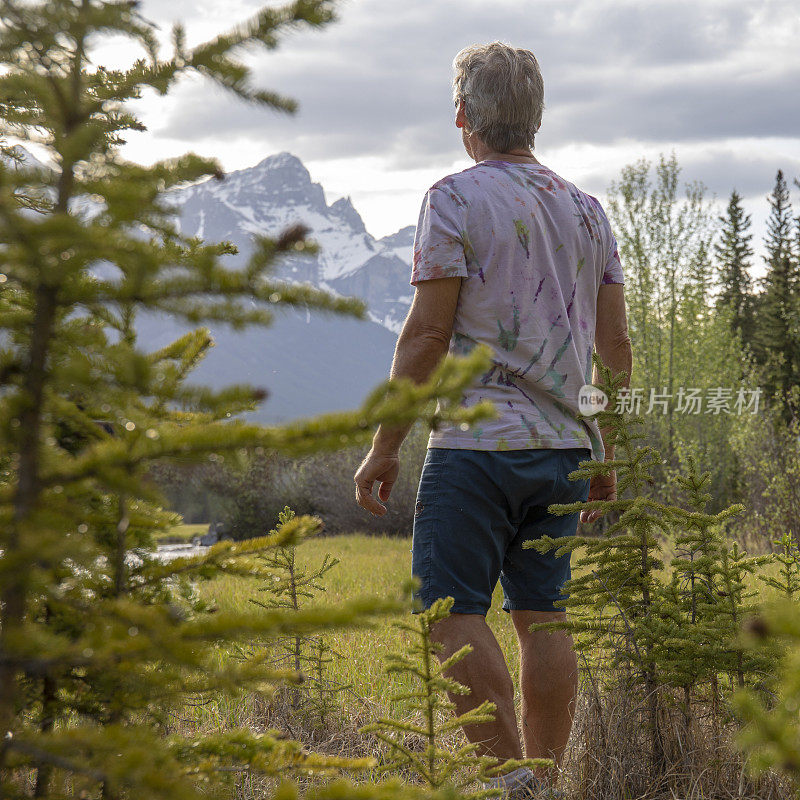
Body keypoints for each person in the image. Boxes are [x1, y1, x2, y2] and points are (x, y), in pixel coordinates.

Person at [354, 40, 632, 798]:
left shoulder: (454, 198)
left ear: (463, 117)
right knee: (544, 614)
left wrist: (385, 446)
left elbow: (428, 336)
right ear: (535, 118)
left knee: (447, 612)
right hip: (564, 452)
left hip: (477, 448)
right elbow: (614, 348)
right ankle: (542, 778)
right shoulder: (588, 210)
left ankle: (511, 781)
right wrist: (600, 442)